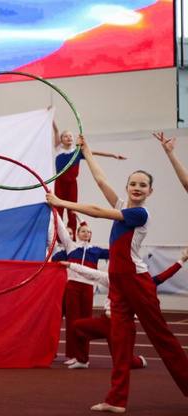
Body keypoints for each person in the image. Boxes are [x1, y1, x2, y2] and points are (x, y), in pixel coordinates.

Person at [46, 136, 188, 414]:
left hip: (137, 282)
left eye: (142, 185)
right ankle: (116, 399)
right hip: (119, 285)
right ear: (127, 187)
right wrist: (86, 151)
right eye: (133, 184)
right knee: (120, 342)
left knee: (161, 336)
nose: (137, 188)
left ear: (150, 191)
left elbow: (98, 212)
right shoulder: (123, 204)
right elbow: (101, 182)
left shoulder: (140, 214)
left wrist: (62, 201)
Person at [63, 247, 188, 369]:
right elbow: (90, 272)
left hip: (123, 327)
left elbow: (164, 276)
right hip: (105, 322)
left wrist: (182, 260)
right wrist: (70, 265)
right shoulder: (110, 277)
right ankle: (82, 360)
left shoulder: (140, 283)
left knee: (123, 363)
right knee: (77, 326)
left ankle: (139, 361)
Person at [52, 120, 126, 237]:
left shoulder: (78, 152)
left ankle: (73, 237)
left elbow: (94, 153)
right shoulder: (58, 149)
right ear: (61, 140)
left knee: (72, 210)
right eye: (65, 136)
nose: (69, 138)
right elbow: (55, 130)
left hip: (72, 184)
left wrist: (113, 155)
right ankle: (57, 238)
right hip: (60, 183)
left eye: (71, 136)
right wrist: (52, 117)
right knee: (58, 209)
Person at [53, 217, 109, 366]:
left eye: (88, 232)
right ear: (77, 233)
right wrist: (56, 211)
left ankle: (83, 357)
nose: (86, 233)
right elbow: (61, 230)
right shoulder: (71, 246)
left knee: (85, 322)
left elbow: (116, 251)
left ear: (91, 235)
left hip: (88, 287)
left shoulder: (96, 250)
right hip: (73, 286)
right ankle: (72, 354)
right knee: (72, 321)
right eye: (83, 231)